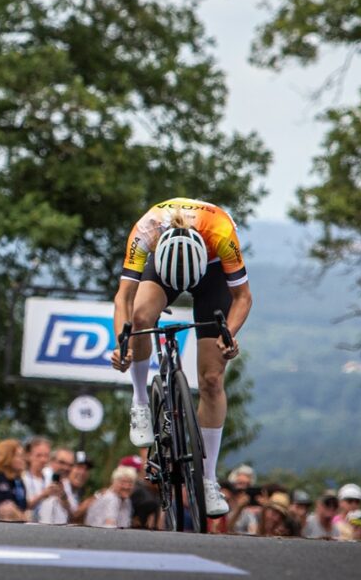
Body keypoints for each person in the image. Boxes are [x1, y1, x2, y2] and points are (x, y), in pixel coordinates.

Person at [110, 198, 252, 518]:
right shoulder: (146, 230)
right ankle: (140, 402)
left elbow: (243, 297)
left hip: (212, 274)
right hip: (161, 268)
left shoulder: (222, 234)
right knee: (142, 318)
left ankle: (208, 478)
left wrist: (227, 335)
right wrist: (123, 344)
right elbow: (123, 297)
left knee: (212, 379)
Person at [0, 439, 29, 522]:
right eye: (18, 456)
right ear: (7, 457)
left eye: (23, 456)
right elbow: (2, 506)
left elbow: (23, 507)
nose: (23, 459)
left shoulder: (19, 481)